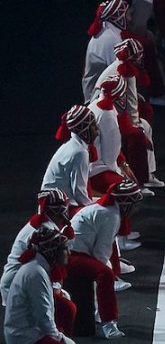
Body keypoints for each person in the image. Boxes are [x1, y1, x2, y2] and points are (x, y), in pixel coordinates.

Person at [67, 179, 143, 340]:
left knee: (103, 271)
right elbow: (100, 252)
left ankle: (98, 313)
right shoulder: (110, 215)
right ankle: (108, 321)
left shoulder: (105, 210)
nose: (135, 209)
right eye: (134, 203)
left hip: (75, 252)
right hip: (73, 255)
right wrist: (105, 271)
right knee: (105, 275)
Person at [3, 226, 76, 344]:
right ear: (52, 250)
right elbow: (43, 317)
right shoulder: (36, 273)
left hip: (29, 330)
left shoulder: (39, 267)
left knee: (66, 305)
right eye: (64, 249)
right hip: (25, 337)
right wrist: (60, 339)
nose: (69, 252)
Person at [41, 106, 96, 209]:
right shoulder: (80, 152)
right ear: (84, 128)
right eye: (93, 126)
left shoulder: (71, 145)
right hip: (58, 206)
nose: (97, 130)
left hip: (54, 202)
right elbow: (79, 193)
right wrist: (95, 208)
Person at [82, 0, 130, 101]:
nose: (130, 18)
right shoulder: (110, 38)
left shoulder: (108, 28)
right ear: (118, 16)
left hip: (100, 86)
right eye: (127, 14)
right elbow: (118, 70)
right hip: (97, 95)